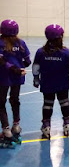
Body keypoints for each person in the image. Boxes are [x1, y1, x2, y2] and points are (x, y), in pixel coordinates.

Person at [32, 24, 69, 139]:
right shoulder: (66, 52)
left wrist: (36, 79)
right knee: (65, 102)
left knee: (47, 104)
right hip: (62, 82)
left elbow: (36, 68)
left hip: (47, 83)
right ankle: (67, 124)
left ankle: (46, 126)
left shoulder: (41, 52)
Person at [0, 20, 30, 148]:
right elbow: (27, 60)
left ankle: (6, 130)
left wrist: (12, 67)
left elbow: (1, 61)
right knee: (14, 100)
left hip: (3, 76)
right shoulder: (21, 43)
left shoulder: (1, 42)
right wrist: (19, 67)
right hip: (17, 77)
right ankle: (16, 126)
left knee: (1, 103)